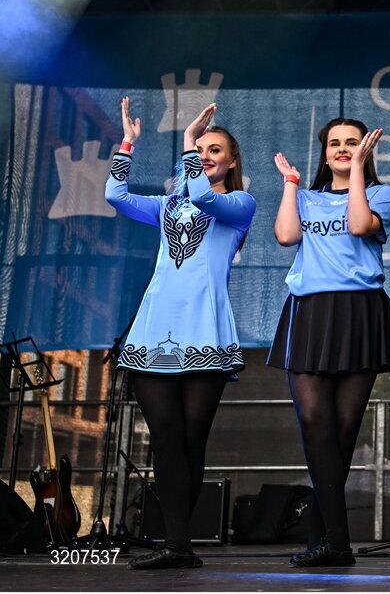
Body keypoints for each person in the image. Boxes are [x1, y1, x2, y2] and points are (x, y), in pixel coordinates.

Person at [105, 99, 255, 569]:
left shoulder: (239, 205)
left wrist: (189, 141)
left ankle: (178, 544)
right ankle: (177, 546)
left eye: (215, 150)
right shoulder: (168, 205)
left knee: (192, 442)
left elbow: (205, 198)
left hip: (204, 332)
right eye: (201, 149)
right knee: (166, 441)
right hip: (153, 333)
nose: (206, 156)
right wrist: (128, 143)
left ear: (232, 161)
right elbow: (115, 194)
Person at [268, 119, 390, 567]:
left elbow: (360, 225)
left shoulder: (381, 193)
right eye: (334, 144)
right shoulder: (305, 197)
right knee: (315, 424)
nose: (343, 149)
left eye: (352, 143)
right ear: (324, 153)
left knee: (342, 435)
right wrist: (290, 185)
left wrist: (359, 169)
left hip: (359, 311)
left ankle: (323, 539)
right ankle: (336, 542)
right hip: (309, 310)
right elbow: (286, 236)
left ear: (365, 149)